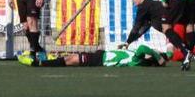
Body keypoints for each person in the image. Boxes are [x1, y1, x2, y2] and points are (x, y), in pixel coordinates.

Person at [121, 0, 195, 62]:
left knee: (176, 56)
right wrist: (128, 43)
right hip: (174, 29)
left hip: (175, 28)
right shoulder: (149, 7)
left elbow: (136, 28)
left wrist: (127, 43)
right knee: (173, 53)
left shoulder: (144, 7)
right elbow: (143, 28)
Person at [18, 44, 172, 68]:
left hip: (100, 60)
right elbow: (169, 52)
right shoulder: (135, 56)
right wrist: (168, 52)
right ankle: (43, 58)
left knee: (70, 60)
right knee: (70, 56)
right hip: (101, 54)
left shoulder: (137, 61)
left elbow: (143, 48)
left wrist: (159, 59)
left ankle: (37, 63)